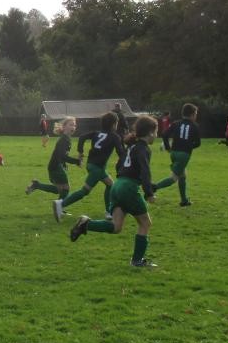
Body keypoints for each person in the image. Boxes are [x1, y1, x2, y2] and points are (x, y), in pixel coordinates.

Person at [68, 114, 160, 267]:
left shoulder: (132, 146)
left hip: (117, 185)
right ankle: (137, 261)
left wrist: (123, 178)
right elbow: (145, 171)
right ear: (150, 132)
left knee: (116, 227)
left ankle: (85, 224)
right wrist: (149, 193)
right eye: (156, 132)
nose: (156, 136)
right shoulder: (144, 148)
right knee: (145, 223)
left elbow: (119, 164)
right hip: (129, 187)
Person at [52, 111, 123, 222]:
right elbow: (121, 153)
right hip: (97, 168)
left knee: (110, 185)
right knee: (85, 191)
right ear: (114, 124)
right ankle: (61, 203)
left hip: (91, 165)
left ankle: (108, 211)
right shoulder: (114, 137)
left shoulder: (96, 133)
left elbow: (82, 137)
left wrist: (80, 151)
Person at [153, 103, 201, 207]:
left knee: (182, 176)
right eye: (196, 113)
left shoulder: (176, 123)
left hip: (173, 153)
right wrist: (188, 146)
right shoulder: (195, 126)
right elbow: (198, 144)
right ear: (192, 114)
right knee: (174, 178)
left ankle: (184, 201)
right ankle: (153, 188)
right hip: (184, 155)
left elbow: (165, 135)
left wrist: (168, 148)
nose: (196, 116)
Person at [26, 117, 79, 199]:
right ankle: (59, 208)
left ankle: (37, 185)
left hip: (55, 166)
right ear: (64, 127)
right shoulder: (64, 139)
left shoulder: (66, 138)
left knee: (59, 189)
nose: (73, 127)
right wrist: (76, 161)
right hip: (56, 167)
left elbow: (60, 155)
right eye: (71, 125)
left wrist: (64, 165)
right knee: (65, 189)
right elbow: (63, 156)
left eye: (74, 125)